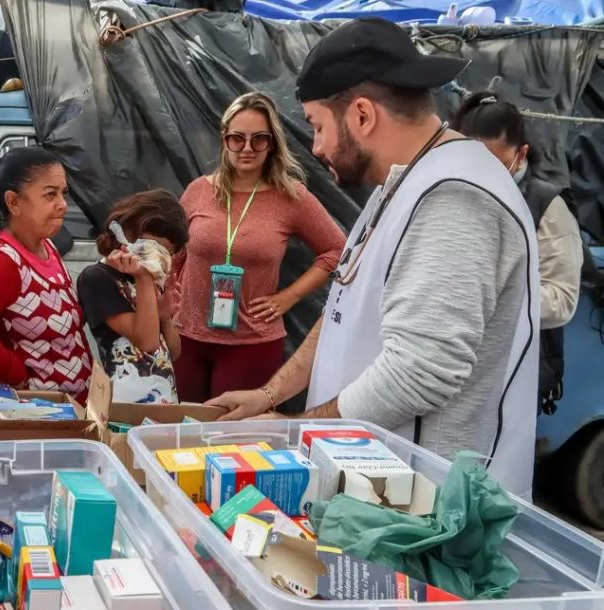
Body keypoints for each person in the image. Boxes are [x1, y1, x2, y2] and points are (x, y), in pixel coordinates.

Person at [207, 18, 540, 498]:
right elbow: (343, 307)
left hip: (426, 514)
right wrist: (269, 394)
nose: (316, 146)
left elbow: (419, 371)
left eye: (318, 126)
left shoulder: (454, 198)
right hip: (375, 492)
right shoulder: (404, 183)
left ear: (362, 115)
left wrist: (294, 431)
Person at [173, 91, 345, 403]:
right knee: (179, 435)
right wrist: (169, 298)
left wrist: (288, 297)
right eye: (237, 138)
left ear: (273, 143)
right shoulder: (199, 191)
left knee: (231, 439)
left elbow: (337, 249)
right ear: (224, 140)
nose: (247, 148)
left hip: (251, 342)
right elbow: (175, 252)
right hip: (187, 338)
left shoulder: (291, 197)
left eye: (259, 139)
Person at [450, 91, 584, 413]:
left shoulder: (546, 205)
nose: (483, 175)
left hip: (515, 371)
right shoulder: (451, 193)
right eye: (473, 163)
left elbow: (562, 299)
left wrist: (485, 299)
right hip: (456, 365)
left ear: (521, 154)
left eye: (495, 163)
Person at [0, 147, 94, 400]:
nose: (62, 205)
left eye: (63, 193)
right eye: (50, 195)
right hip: (35, 418)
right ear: (14, 202)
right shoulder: (2, 260)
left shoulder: (46, 247)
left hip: (69, 415)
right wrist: (14, 374)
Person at [77, 190, 188, 404]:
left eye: (166, 253)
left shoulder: (152, 281)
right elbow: (147, 342)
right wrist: (144, 277)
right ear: (126, 233)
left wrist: (165, 319)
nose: (157, 258)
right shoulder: (98, 278)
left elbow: (172, 353)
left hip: (165, 401)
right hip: (126, 404)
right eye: (153, 246)